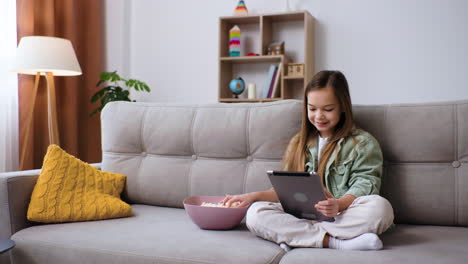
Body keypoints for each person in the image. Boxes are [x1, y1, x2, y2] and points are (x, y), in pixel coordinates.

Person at [222, 70, 394, 251]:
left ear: (343, 106)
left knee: (381, 208)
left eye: (328, 109)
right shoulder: (298, 142)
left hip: (342, 214)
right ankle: (336, 242)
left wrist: (338, 204)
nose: (319, 116)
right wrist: (253, 196)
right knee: (255, 214)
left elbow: (365, 184)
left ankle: (295, 237)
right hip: (301, 215)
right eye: (312, 109)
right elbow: (285, 190)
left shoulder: (363, 143)